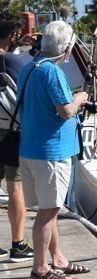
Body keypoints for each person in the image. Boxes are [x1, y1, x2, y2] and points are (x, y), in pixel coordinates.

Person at [16, 21, 91, 279]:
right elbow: (66, 110)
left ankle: (57, 258)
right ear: (68, 46)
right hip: (51, 154)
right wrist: (80, 99)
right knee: (48, 212)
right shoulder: (53, 73)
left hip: (29, 149)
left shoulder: (28, 68)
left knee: (49, 208)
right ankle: (41, 269)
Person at [0, 15, 35, 260]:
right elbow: (30, 75)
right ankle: (18, 244)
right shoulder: (12, 60)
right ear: (13, 36)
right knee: (15, 186)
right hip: (11, 132)